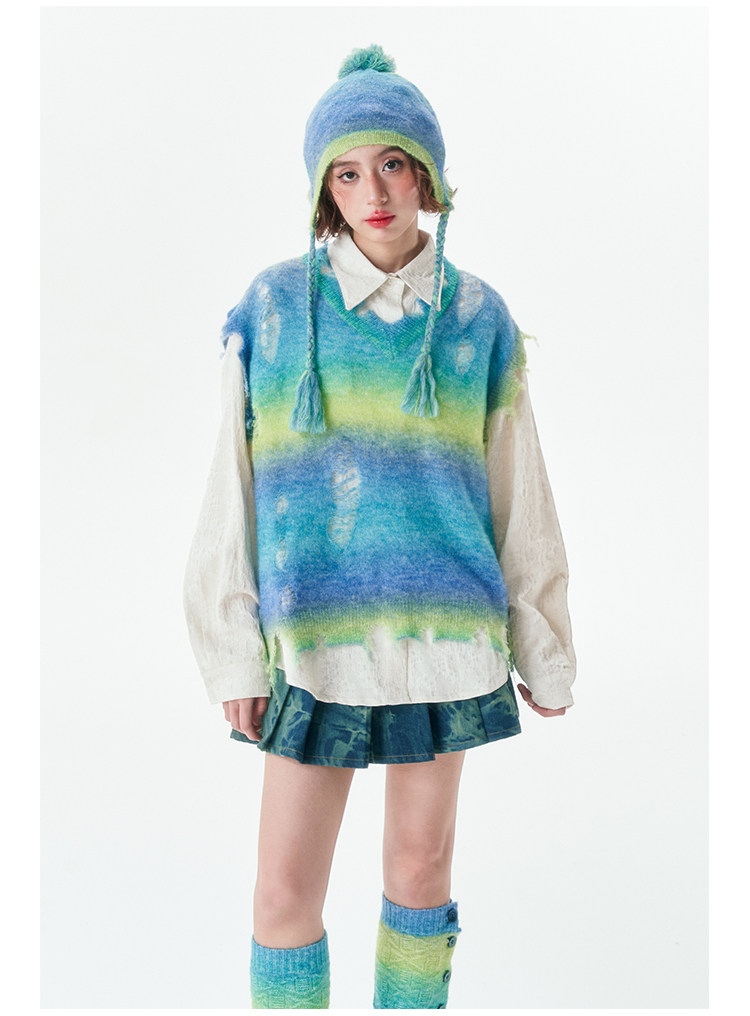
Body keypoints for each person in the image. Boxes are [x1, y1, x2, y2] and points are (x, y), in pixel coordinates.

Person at [183, 43, 576, 1010]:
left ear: (428, 175)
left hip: (445, 642)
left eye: (393, 164)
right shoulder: (274, 311)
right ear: (324, 191)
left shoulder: (478, 317)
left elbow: (519, 493)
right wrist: (233, 652)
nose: (375, 192)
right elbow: (231, 489)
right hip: (313, 642)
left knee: (419, 870)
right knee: (284, 893)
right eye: (348, 173)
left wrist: (543, 643)